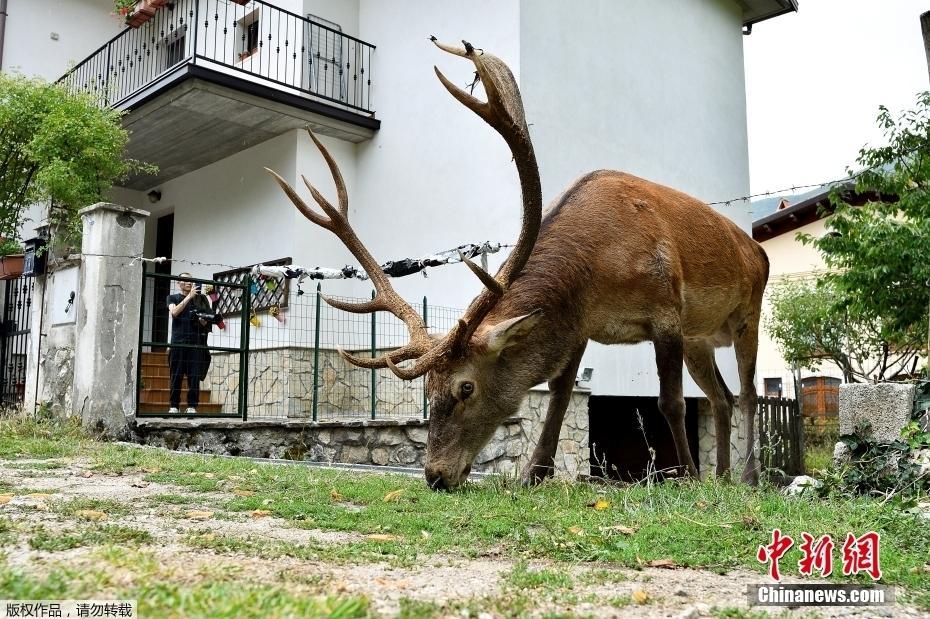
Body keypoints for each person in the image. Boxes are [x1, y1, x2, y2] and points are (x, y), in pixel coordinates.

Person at [166, 273, 212, 413]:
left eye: (190, 280)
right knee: (176, 375)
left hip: (195, 343)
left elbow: (204, 322)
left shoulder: (200, 300)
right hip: (178, 342)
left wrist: (203, 318)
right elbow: (174, 312)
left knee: (194, 376)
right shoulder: (172, 298)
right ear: (179, 283)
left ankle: (192, 406)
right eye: (185, 280)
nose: (188, 283)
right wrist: (189, 297)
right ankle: (174, 406)